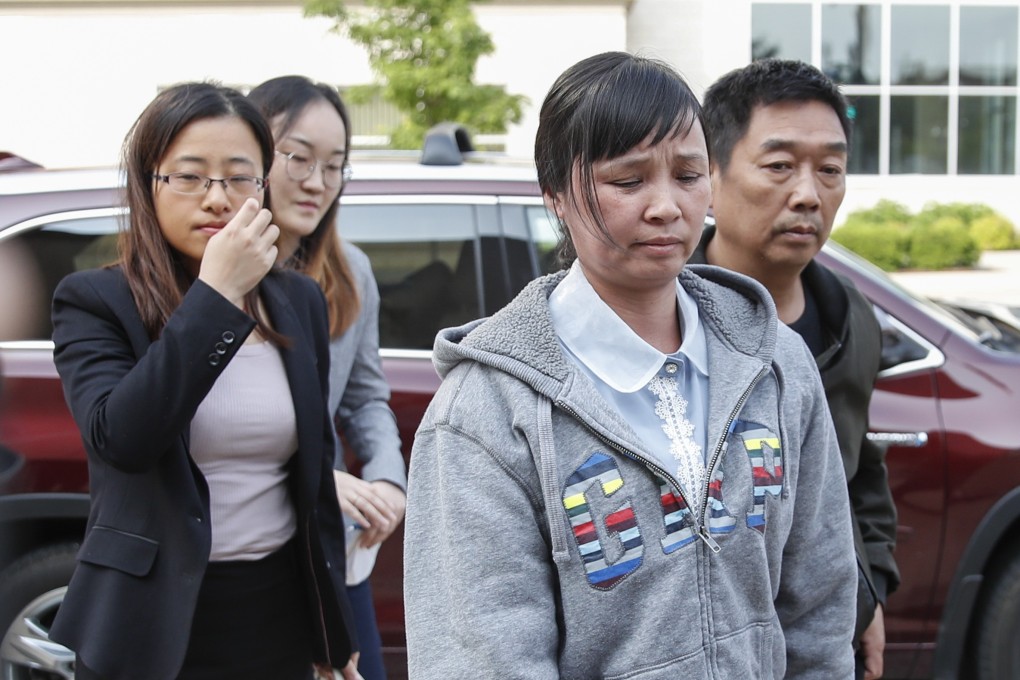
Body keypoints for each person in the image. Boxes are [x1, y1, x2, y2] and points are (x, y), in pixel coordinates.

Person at [403, 51, 857, 679]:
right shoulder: (486, 412)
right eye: (628, 180)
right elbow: (483, 656)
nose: (667, 206)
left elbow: (820, 605)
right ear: (557, 194)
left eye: (689, 175)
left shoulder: (777, 362)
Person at [48, 82, 361, 680]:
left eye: (240, 177)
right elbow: (124, 440)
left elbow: (314, 479)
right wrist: (216, 295)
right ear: (149, 184)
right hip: (151, 621)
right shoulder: (94, 301)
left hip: (274, 612)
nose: (217, 199)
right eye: (189, 176)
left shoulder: (298, 298)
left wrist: (332, 629)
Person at [691, 58, 900, 680]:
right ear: (711, 175)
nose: (809, 193)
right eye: (779, 166)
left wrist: (867, 596)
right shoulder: (662, 320)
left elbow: (858, 472)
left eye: (830, 169)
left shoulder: (848, 315)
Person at [249, 75, 407, 680]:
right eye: (298, 158)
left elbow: (366, 397)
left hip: (334, 552)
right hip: (249, 554)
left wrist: (390, 480)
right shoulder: (216, 275)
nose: (317, 182)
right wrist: (320, 477)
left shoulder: (351, 270)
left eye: (335, 165)